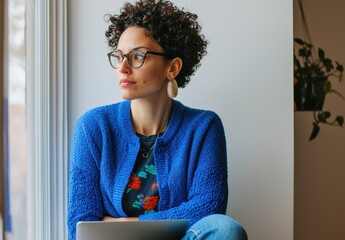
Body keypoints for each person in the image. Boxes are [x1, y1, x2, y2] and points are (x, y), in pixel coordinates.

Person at [67, 0, 248, 239]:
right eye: (119, 56)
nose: (123, 67)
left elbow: (209, 207)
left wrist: (124, 223)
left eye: (138, 56)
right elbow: (80, 224)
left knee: (225, 229)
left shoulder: (204, 127)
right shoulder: (93, 127)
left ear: (172, 68)